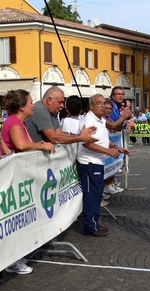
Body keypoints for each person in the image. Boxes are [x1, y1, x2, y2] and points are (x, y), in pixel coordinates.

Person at [0, 89, 55, 274]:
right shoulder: (14, 122)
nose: (33, 105)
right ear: (22, 106)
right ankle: (12, 260)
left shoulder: (20, 122)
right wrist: (42, 145)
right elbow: (21, 145)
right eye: (31, 102)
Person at [77, 94, 130, 237]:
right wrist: (108, 151)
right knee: (91, 196)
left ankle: (95, 223)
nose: (102, 105)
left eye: (103, 103)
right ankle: (90, 226)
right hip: (89, 163)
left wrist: (116, 147)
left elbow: (102, 139)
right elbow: (87, 143)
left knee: (97, 194)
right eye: (98, 103)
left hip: (98, 162)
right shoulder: (89, 120)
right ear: (91, 106)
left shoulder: (100, 119)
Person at [25, 86, 97, 144]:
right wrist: (79, 138)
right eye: (60, 102)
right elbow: (54, 138)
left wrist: (79, 136)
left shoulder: (53, 112)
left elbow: (59, 133)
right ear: (49, 100)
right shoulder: (39, 109)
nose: (62, 106)